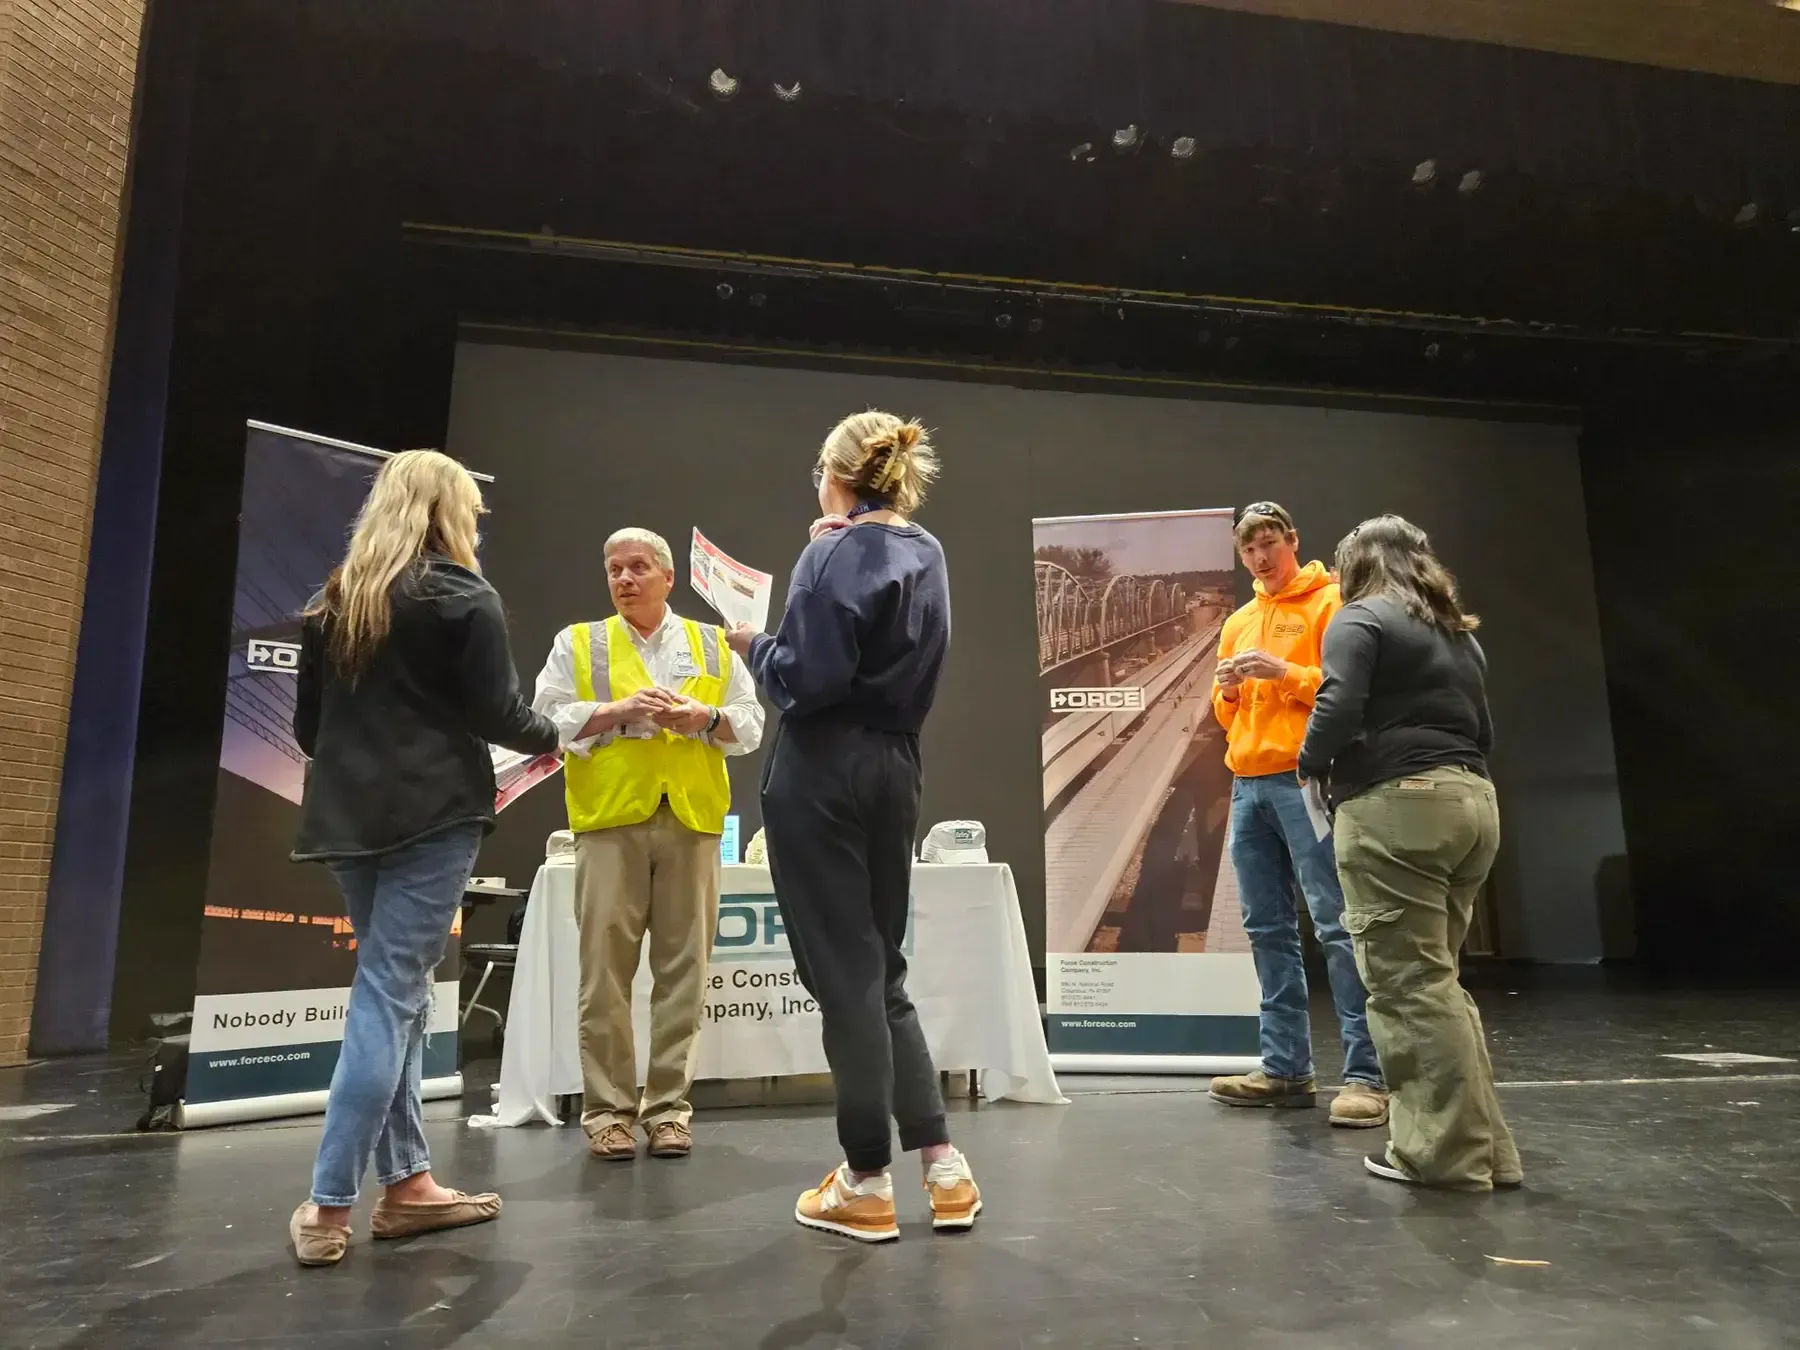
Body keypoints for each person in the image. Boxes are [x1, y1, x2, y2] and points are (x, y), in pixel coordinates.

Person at [288, 450, 558, 1267]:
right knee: (387, 998)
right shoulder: (462, 596)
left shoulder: (334, 600)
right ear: (446, 511)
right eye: (471, 510)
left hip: (346, 821)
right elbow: (503, 715)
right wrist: (562, 736)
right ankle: (331, 1202)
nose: (476, 524)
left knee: (396, 997)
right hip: (434, 817)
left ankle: (407, 1187)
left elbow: (310, 732)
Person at [725, 410, 979, 1243]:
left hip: (823, 769)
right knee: (882, 969)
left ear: (833, 476)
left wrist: (754, 646)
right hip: (897, 769)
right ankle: (943, 1168)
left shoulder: (828, 551)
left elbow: (806, 680)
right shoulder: (929, 550)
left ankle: (866, 1178)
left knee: (844, 978)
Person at [1298, 515, 1521, 1190]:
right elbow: (1482, 728)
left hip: (1399, 808)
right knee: (1437, 983)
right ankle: (1488, 1154)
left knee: (1406, 987)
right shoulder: (1459, 636)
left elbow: (1337, 703)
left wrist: (1310, 763)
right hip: (1471, 803)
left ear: (1354, 566)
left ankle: (1440, 1157)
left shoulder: (1360, 618)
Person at [532, 528, 764, 1162]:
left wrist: (705, 719)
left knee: (683, 972)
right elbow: (543, 720)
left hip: (692, 820)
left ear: (667, 576)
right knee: (603, 974)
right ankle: (607, 1112)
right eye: (614, 569)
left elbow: (750, 724)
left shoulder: (713, 643)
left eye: (638, 567)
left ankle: (669, 1112)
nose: (625, 579)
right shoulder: (578, 642)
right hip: (610, 820)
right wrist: (615, 710)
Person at [1207, 502, 1388, 1128]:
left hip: (1307, 781)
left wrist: (1282, 671)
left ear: (1292, 542)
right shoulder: (1238, 621)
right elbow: (1225, 716)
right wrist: (1230, 690)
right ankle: (1285, 1068)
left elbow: (1348, 691)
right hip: (1247, 786)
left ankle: (1368, 1074)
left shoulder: (1330, 604)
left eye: (1270, 543)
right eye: (1250, 549)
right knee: (1266, 930)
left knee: (1336, 925)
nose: (1261, 557)